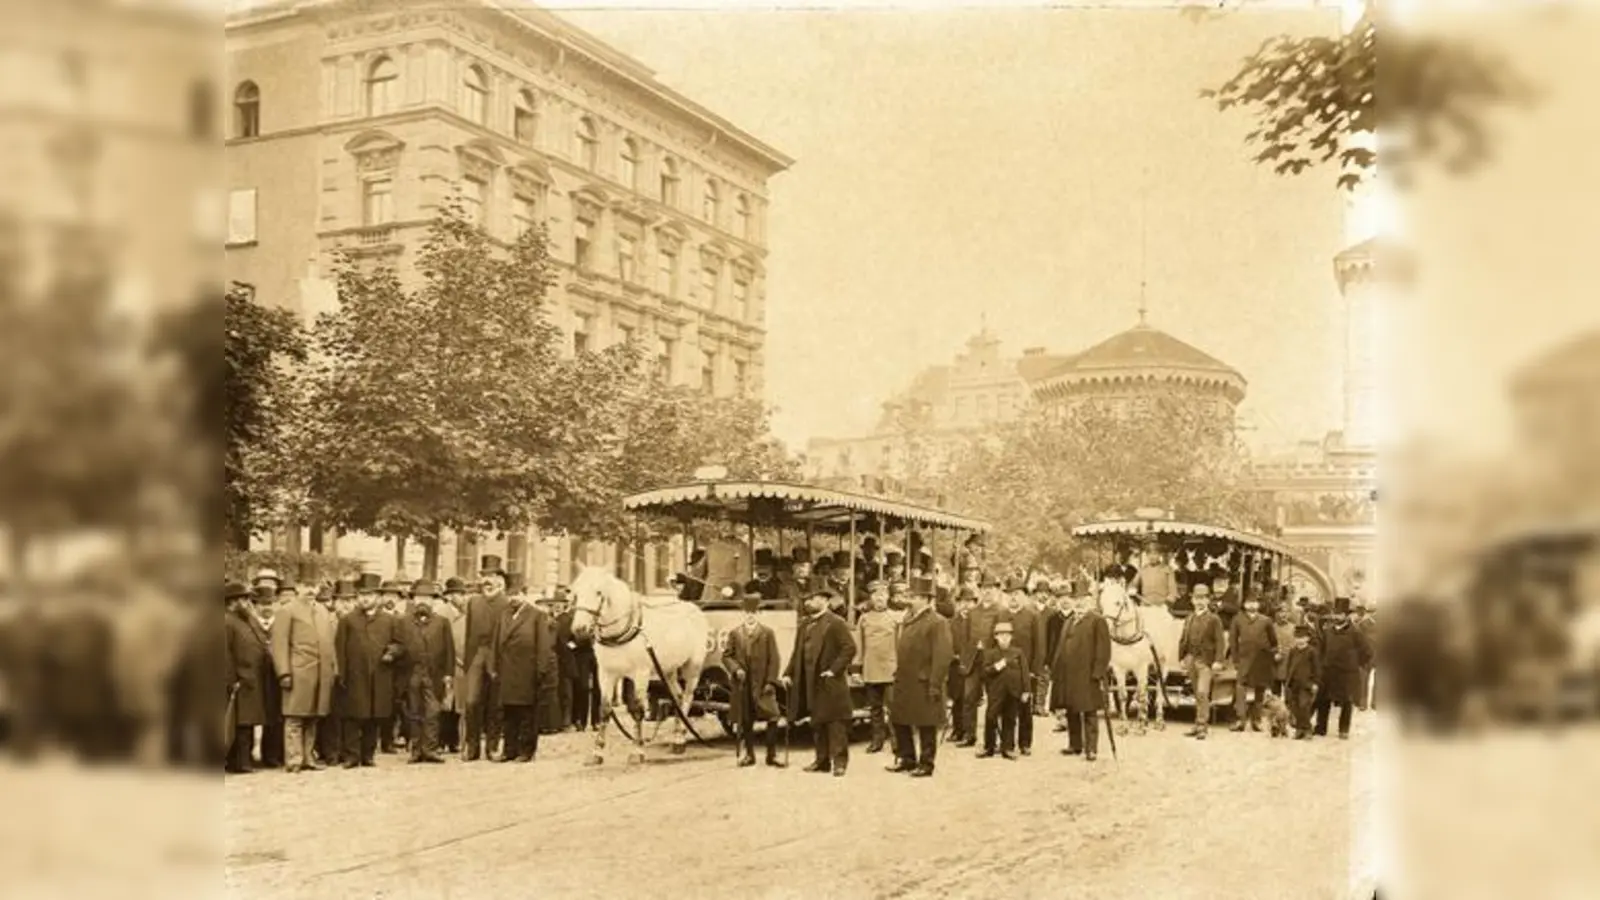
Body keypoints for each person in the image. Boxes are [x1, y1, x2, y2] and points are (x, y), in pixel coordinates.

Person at [782, 588, 856, 776]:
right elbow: (796, 652)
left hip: (829, 679)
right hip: (808, 678)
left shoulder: (836, 623)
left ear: (824, 600)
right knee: (817, 720)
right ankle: (821, 760)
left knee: (835, 722)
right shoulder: (804, 624)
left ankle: (839, 763)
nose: (808, 602)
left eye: (812, 599)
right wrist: (788, 673)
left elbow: (849, 648)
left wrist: (834, 670)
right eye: (807, 599)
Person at [268, 578, 338, 773]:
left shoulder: (323, 612)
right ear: (297, 587)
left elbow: (330, 645)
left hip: (321, 673)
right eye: (306, 586)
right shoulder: (287, 610)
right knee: (294, 718)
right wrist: (283, 672)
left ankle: (308, 758)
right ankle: (294, 759)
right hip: (298, 672)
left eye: (313, 586)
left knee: (313, 717)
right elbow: (279, 644)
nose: (310, 590)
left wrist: (333, 670)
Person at [488, 574, 558, 762]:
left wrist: (541, 671)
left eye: (517, 594)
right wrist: (493, 666)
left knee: (527, 713)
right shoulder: (503, 615)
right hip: (507, 671)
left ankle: (526, 750)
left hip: (528, 672)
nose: (513, 599)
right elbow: (495, 642)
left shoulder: (537, 616)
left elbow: (544, 646)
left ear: (525, 595)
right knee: (508, 712)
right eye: (510, 595)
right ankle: (509, 750)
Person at [888, 580, 953, 778]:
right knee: (900, 719)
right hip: (905, 680)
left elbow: (942, 656)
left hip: (924, 681)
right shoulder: (909, 618)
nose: (909, 600)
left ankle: (926, 764)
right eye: (910, 596)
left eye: (914, 597)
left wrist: (935, 684)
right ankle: (907, 758)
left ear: (925, 599)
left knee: (926, 723)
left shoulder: (937, 622)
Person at [335, 579, 399, 768]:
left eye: (369, 595)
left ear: (378, 598)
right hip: (355, 676)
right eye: (362, 595)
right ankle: (352, 756)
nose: (365, 599)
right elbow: (340, 649)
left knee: (374, 717)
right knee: (353, 717)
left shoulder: (389, 620)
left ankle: (368, 755)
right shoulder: (348, 620)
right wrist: (342, 674)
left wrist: (392, 652)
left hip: (380, 676)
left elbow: (399, 644)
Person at [722, 589, 785, 768]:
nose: (750, 616)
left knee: (773, 716)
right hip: (743, 684)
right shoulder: (735, 633)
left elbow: (775, 658)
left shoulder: (767, 633)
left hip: (763, 683)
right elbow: (726, 656)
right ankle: (749, 755)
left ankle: (771, 755)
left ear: (759, 614)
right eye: (747, 613)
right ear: (743, 613)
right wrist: (736, 669)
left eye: (754, 613)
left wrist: (771, 681)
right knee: (746, 719)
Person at [393, 580, 453, 764]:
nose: (422, 602)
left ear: (433, 601)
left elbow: (449, 650)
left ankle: (431, 749)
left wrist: (448, 674)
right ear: (413, 600)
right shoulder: (403, 622)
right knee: (413, 712)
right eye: (419, 597)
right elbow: (398, 646)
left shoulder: (443, 623)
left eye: (427, 598)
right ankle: (416, 750)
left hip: (433, 674)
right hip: (411, 674)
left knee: (433, 712)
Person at [1053, 588, 1111, 761]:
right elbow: (1061, 647)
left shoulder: (1097, 621)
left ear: (1090, 600)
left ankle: (1091, 748)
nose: (1079, 602)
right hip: (1069, 674)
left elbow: (1104, 649)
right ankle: (1075, 744)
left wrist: (1098, 672)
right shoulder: (1069, 621)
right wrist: (1057, 669)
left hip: (1087, 674)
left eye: (1082, 599)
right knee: (1072, 709)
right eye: (1076, 599)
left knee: (1089, 711)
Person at [461, 559, 508, 761]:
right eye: (485, 576)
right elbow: (468, 632)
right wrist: (468, 659)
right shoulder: (473, 602)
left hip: (498, 656)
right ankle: (472, 746)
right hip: (477, 655)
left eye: (493, 576)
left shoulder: (506, 603)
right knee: (471, 701)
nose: (488, 581)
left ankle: (492, 745)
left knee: (495, 703)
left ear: (500, 581)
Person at [1313, 597, 1373, 740]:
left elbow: (1367, 652)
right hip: (1328, 671)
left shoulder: (1355, 632)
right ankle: (1321, 728)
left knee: (1347, 702)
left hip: (1347, 673)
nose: (1337, 616)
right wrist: (1322, 664)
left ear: (1347, 615)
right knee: (1323, 701)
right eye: (1336, 613)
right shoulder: (1328, 631)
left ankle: (1343, 730)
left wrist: (1355, 664)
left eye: (1341, 614)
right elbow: (1322, 649)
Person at [223, 581, 267, 774]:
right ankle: (239, 762)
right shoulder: (226, 621)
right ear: (232, 601)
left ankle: (244, 760)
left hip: (251, 678)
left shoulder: (246, 619)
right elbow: (225, 654)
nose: (247, 602)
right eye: (243, 599)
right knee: (239, 723)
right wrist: (232, 680)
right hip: (239, 680)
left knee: (247, 722)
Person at [854, 581, 898, 754]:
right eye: (875, 595)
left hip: (891, 669)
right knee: (875, 709)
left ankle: (896, 742)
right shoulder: (864, 619)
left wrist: (900, 667)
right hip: (871, 669)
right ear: (871, 598)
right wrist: (857, 669)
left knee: (894, 709)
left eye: (883, 594)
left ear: (888, 597)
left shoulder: (896, 617)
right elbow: (859, 645)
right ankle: (877, 741)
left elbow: (900, 644)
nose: (879, 598)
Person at [1177, 583, 1226, 740]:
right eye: (1197, 598)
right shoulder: (1189, 618)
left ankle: (1202, 726)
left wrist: (1218, 661)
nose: (1200, 601)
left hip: (1205, 661)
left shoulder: (1214, 619)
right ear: (1192, 600)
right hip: (1191, 658)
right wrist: (1182, 657)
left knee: (1202, 692)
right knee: (1196, 694)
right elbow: (1183, 639)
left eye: (1203, 598)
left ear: (1208, 600)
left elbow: (1220, 641)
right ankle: (1197, 724)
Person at [1228, 595, 1279, 731]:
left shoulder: (1266, 621)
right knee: (1240, 688)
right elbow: (1233, 641)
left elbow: (1274, 642)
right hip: (1244, 659)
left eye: (1254, 603)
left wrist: (1270, 655)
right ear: (1244, 604)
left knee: (1260, 690)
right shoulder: (1237, 619)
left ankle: (1256, 720)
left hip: (1262, 660)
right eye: (1248, 602)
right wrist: (1235, 659)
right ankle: (1241, 719)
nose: (1251, 605)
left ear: (1258, 605)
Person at [977, 621, 1027, 760]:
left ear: (1011, 637)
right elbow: (985, 672)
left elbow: (1024, 672)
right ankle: (989, 747)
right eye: (1001, 635)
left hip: (1013, 691)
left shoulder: (1018, 652)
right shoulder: (990, 653)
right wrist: (997, 667)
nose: (1004, 638)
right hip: (996, 692)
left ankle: (1008, 748)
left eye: (1007, 635)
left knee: (1010, 719)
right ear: (996, 637)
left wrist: (1026, 691)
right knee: (991, 718)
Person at [1008, 581, 1047, 752]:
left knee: (1025, 709)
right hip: (1006, 670)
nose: (1013, 597)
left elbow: (1039, 646)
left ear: (1024, 596)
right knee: (1007, 708)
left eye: (1017, 593)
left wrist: (1034, 670)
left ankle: (1025, 743)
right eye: (1010, 594)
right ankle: (1007, 743)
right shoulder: (1001, 615)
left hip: (1026, 672)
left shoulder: (1033, 616)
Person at [314, 583, 349, 766]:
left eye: (349, 600)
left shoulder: (347, 619)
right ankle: (329, 751)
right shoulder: (323, 620)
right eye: (322, 601)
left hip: (345, 671)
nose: (345, 604)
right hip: (326, 671)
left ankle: (341, 749)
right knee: (328, 715)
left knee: (343, 714)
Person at [249, 585, 284, 768]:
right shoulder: (249, 623)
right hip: (255, 675)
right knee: (251, 716)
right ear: (255, 606)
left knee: (275, 716)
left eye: (270, 603)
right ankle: (247, 755)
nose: (266, 608)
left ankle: (272, 755)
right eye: (262, 604)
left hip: (276, 676)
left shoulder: (281, 623)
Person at [436, 577, 469, 753]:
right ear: (449, 596)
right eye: (459, 594)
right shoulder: (442, 614)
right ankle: (441, 740)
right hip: (447, 663)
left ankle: (453, 740)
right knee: (445, 703)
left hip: (462, 665)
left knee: (458, 705)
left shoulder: (465, 614)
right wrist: (453, 658)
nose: (463, 598)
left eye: (464, 594)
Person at [1283, 625, 1321, 739]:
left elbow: (1317, 669)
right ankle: (1299, 729)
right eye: (1297, 637)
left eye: (1302, 637)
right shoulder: (1293, 651)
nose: (1299, 640)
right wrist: (1287, 680)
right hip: (1294, 683)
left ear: (1307, 638)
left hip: (1307, 684)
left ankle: (1307, 729)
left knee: (1304, 706)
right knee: (1295, 707)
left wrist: (1315, 683)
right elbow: (1289, 666)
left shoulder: (1312, 652)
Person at [1270, 602, 1298, 696]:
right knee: (1275, 694)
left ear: (1289, 614)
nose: (1284, 614)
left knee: (1289, 694)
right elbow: (1266, 645)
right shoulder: (1272, 628)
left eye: (1286, 612)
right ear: (1277, 614)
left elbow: (1296, 646)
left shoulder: (1293, 628)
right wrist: (1274, 654)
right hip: (1275, 665)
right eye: (1281, 612)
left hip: (1289, 665)